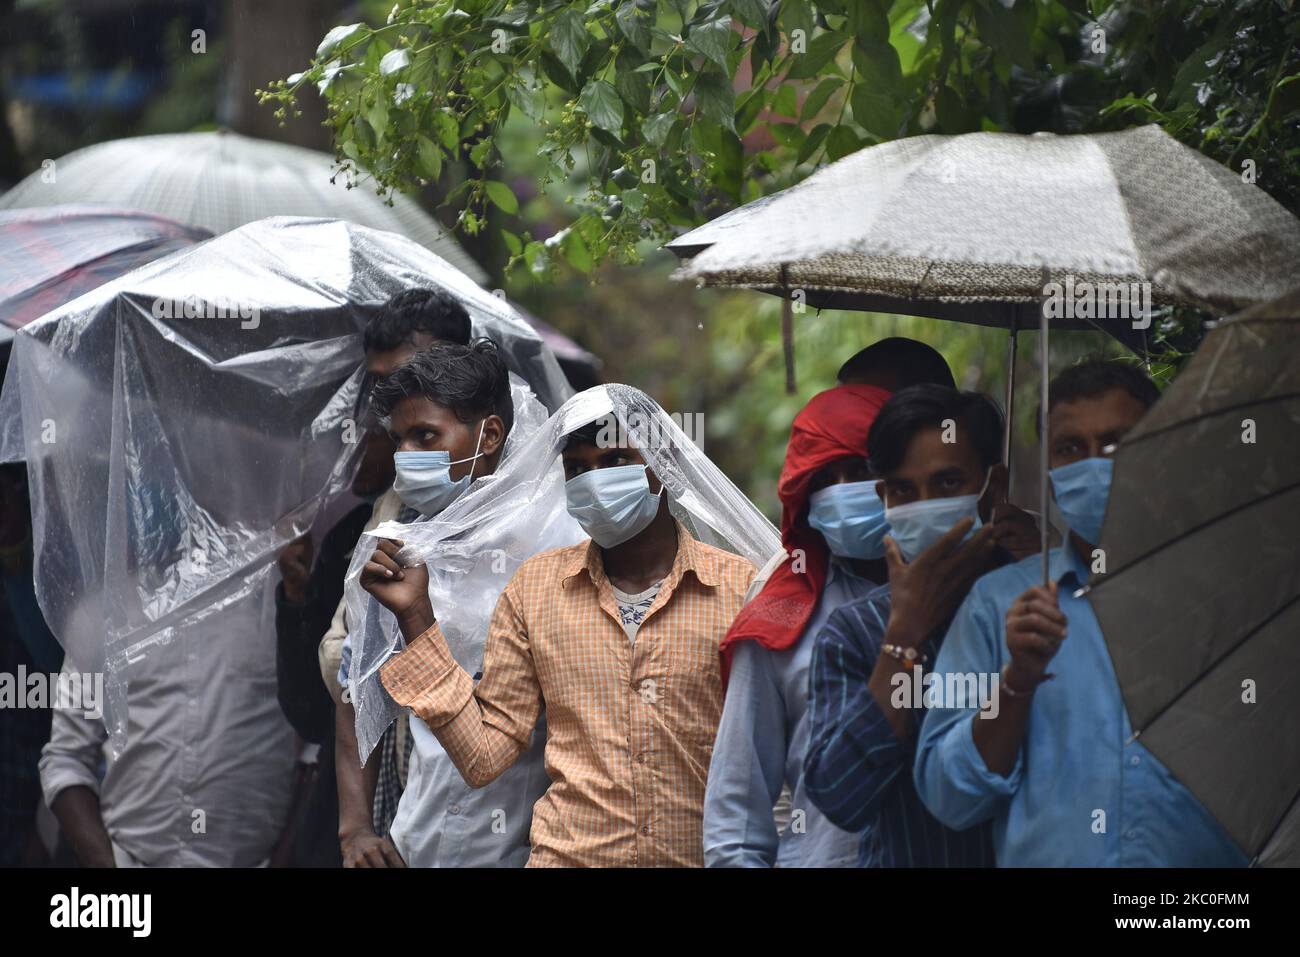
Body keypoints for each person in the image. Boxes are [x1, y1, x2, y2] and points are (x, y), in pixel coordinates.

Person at [371, 388, 761, 867]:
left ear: (662, 465)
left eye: (615, 458)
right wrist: (416, 618)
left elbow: (770, 761)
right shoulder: (536, 589)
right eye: (577, 469)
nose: (594, 481)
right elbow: (485, 756)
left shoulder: (740, 590)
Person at [912, 359, 1247, 866]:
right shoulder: (997, 606)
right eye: (1071, 449)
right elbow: (950, 798)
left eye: (1116, 444)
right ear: (1048, 470)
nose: (1095, 464)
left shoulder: (1234, 600)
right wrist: (1016, 683)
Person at [336, 338, 551, 868]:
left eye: (426, 436)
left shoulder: (557, 547)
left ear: (490, 435)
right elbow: (354, 695)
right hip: (417, 844)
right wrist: (355, 829)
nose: (406, 457)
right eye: (399, 438)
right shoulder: (398, 552)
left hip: (523, 852)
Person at [804, 385, 1027, 866]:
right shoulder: (857, 632)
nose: (925, 504)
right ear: (883, 497)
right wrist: (904, 638)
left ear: (996, 487)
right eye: (905, 490)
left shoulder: (1040, 603)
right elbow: (841, 796)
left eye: (948, 484)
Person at [701, 382, 892, 867]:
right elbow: (736, 820)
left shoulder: (977, 590)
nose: (846, 490)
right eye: (827, 479)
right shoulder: (779, 617)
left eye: (863, 470)